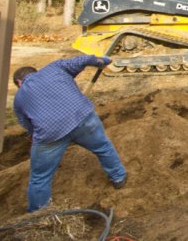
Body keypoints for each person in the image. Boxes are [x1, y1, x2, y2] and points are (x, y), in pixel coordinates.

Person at [12, 55, 127, 212]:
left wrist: (36, 137)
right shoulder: (54, 68)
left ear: (19, 82)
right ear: (35, 71)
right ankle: (119, 178)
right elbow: (82, 60)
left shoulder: (19, 98)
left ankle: (38, 213)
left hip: (50, 134)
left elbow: (26, 124)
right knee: (103, 147)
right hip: (83, 118)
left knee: (40, 177)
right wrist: (102, 61)